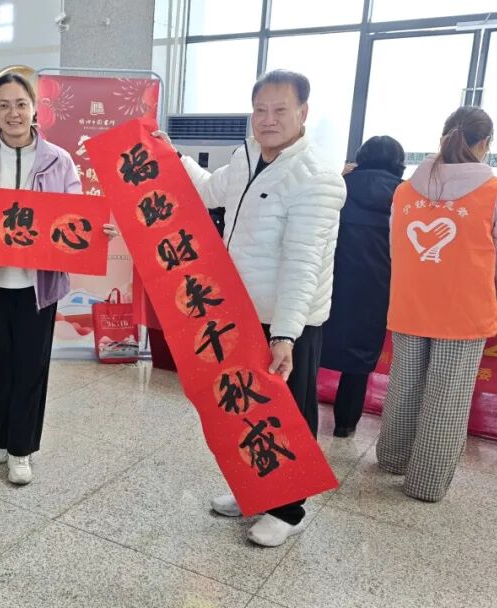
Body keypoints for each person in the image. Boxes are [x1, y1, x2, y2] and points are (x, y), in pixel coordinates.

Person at [156, 69, 347, 547]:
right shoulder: (246, 158)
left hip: (288, 321)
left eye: (280, 110)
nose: (268, 119)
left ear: (303, 112)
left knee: (288, 412)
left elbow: (303, 263)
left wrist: (285, 334)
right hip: (240, 311)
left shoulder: (317, 178)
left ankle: (288, 509)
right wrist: (172, 156)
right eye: (260, 110)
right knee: (243, 407)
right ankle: (255, 489)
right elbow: (207, 191)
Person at [0, 73, 116, 486]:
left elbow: (76, 213)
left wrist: (96, 231)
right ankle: (3, 436)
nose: (13, 113)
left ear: (34, 109)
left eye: (21, 104)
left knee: (30, 368)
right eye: (4, 105)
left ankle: (21, 449)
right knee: (1, 366)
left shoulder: (58, 161)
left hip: (38, 287)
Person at [376, 106, 497, 503]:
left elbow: (395, 249)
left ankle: (392, 458)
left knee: (404, 387)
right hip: (464, 312)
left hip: (409, 305)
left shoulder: (405, 190)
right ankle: (425, 484)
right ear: (485, 143)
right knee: (447, 400)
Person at [321, 136, 405, 438]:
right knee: (358, 360)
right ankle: (345, 425)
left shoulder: (339, 185)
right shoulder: (404, 196)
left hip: (329, 284)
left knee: (312, 352)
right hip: (377, 290)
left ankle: (298, 418)